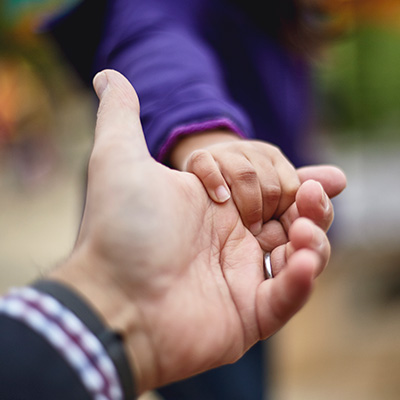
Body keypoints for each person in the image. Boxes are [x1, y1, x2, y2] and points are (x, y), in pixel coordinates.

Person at [45, 1, 341, 398]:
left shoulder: (278, 20)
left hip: (250, 256)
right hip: (180, 254)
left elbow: (282, 122)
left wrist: (301, 197)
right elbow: (156, 43)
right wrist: (204, 133)